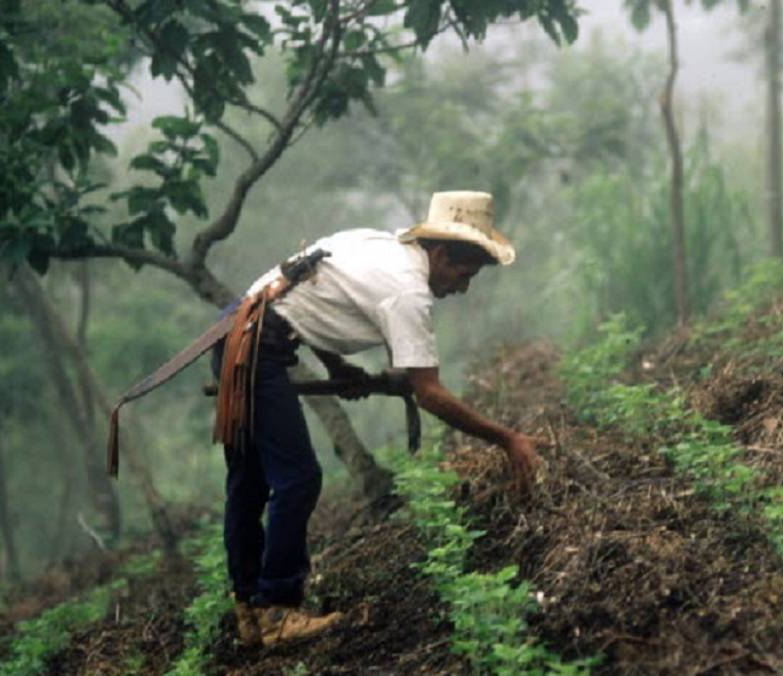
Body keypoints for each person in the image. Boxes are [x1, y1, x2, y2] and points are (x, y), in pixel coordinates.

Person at [221, 190, 544, 647]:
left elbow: (307, 295)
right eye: (461, 272)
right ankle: (277, 608)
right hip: (256, 347)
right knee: (298, 478)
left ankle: (250, 613)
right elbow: (429, 392)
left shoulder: (377, 244)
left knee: (250, 482)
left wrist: (338, 368)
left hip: (236, 329)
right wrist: (508, 439)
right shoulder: (408, 293)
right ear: (437, 251)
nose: (461, 286)